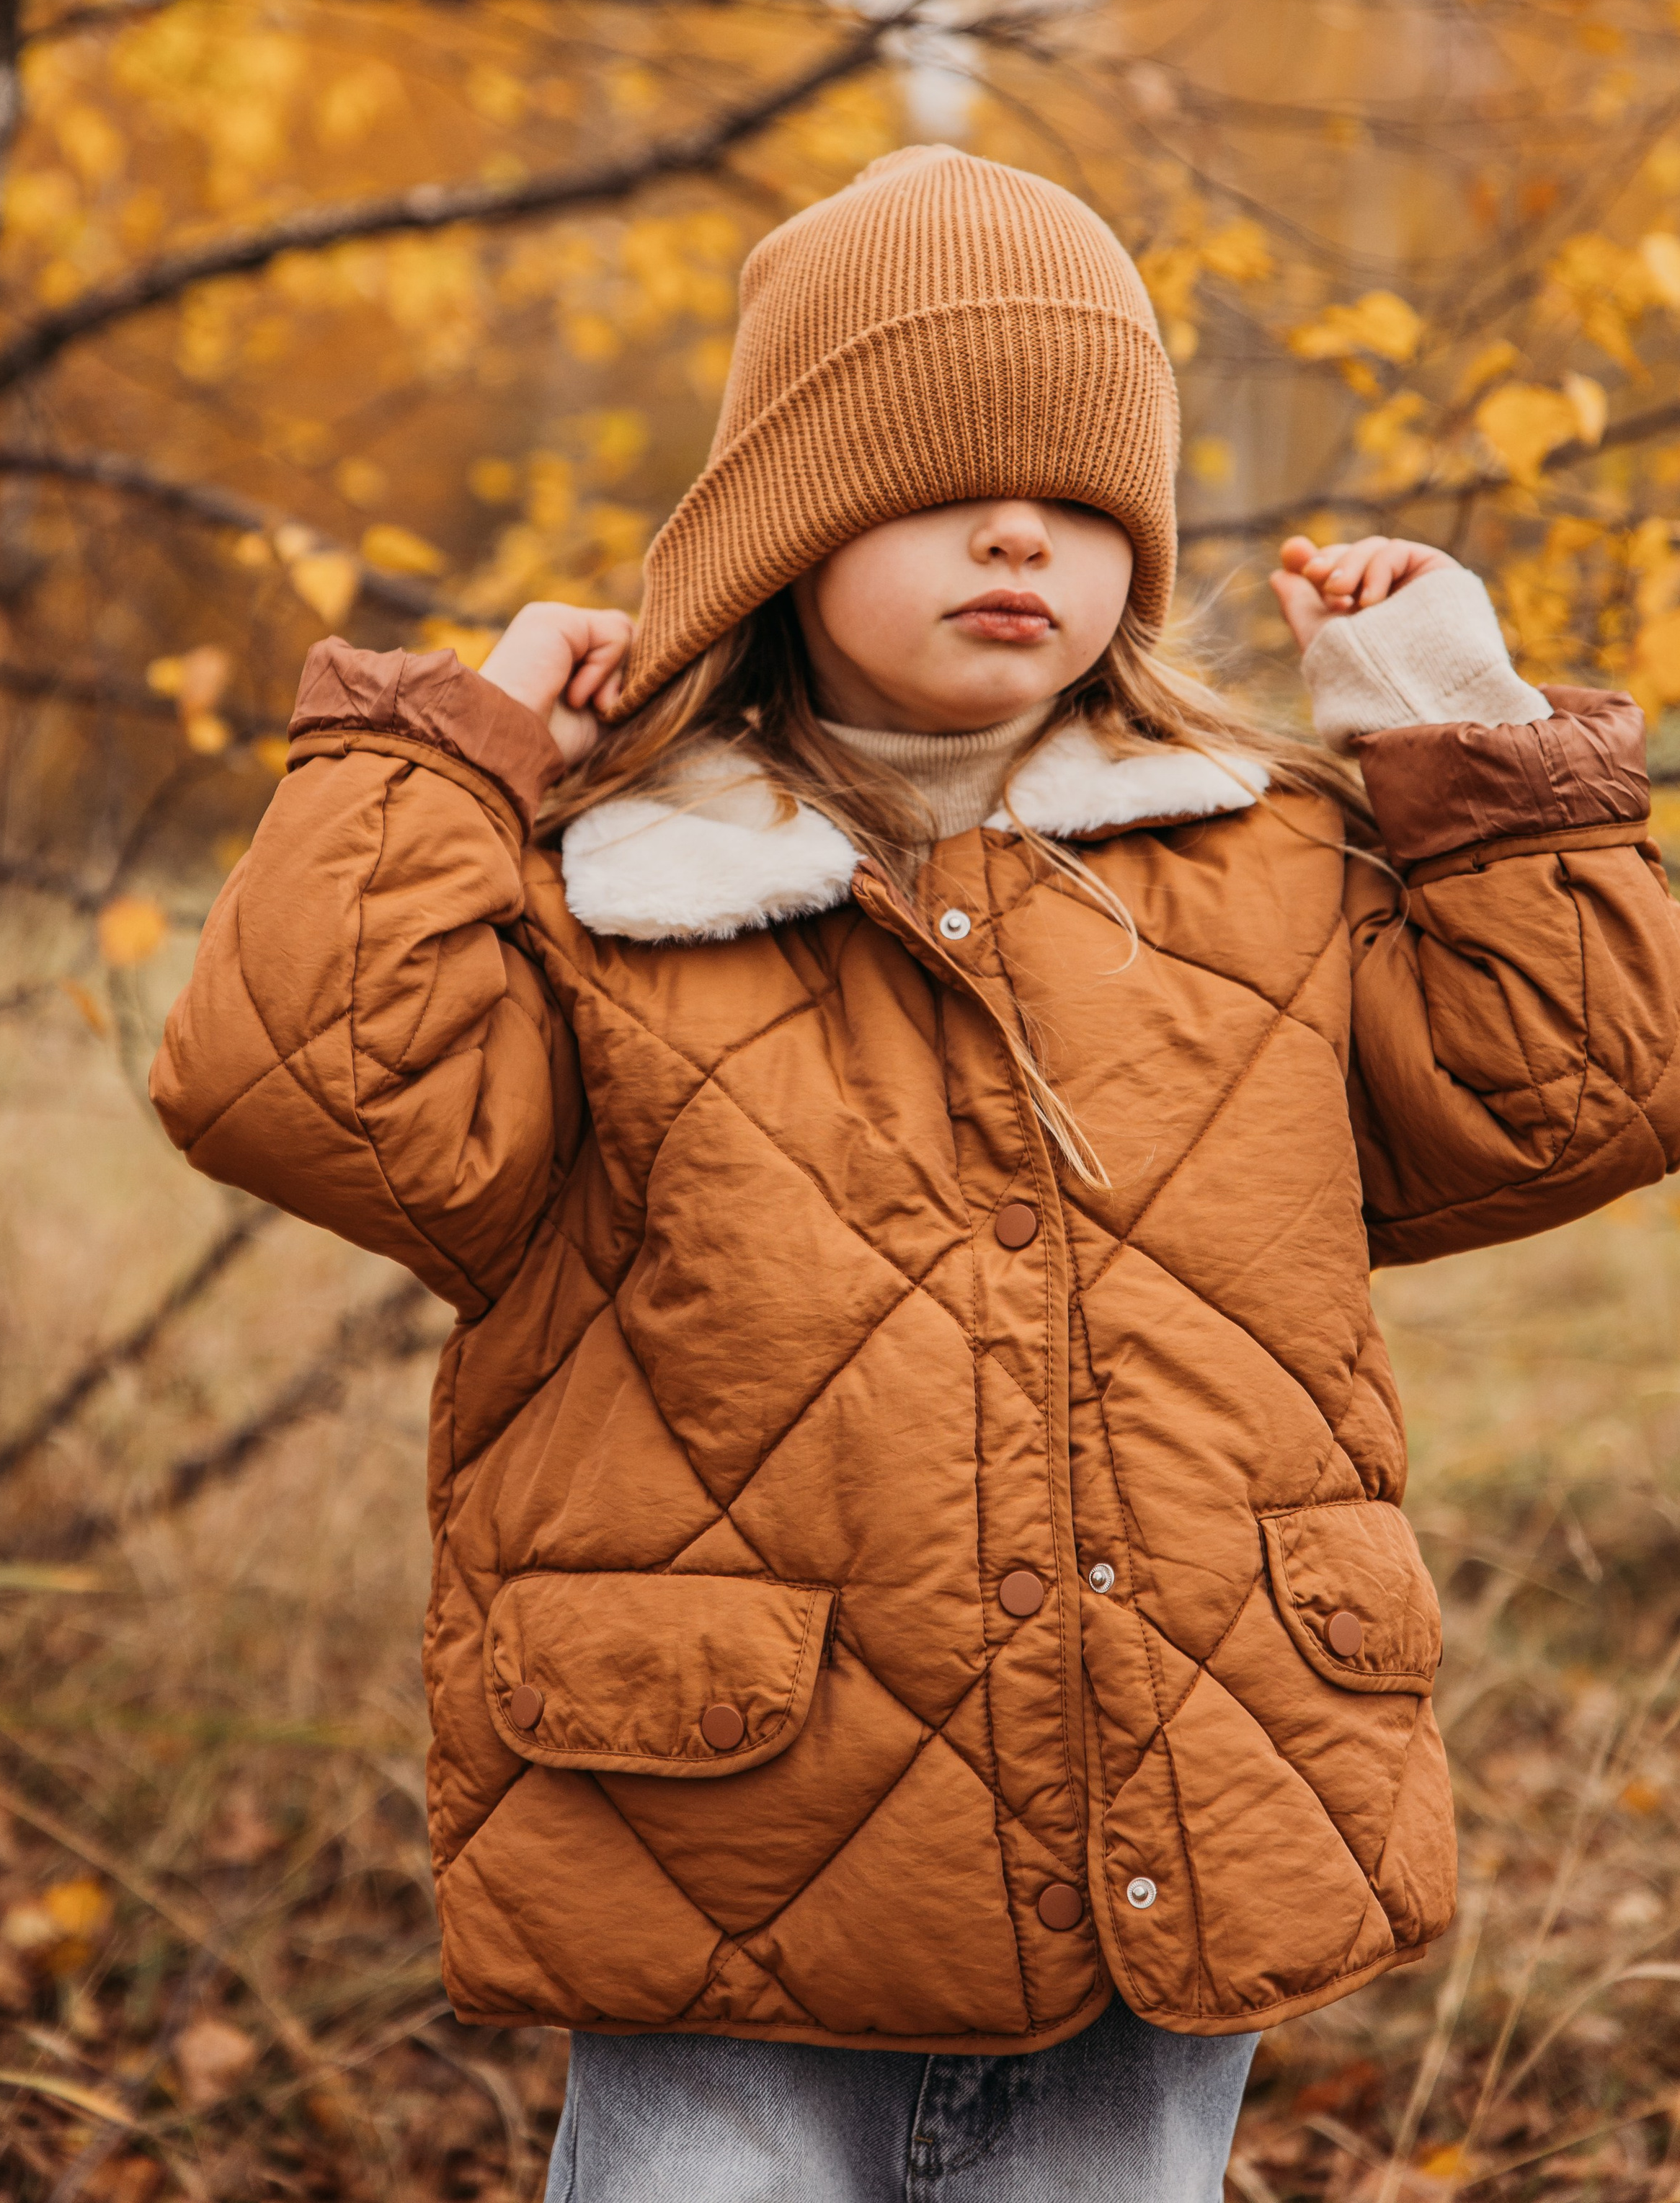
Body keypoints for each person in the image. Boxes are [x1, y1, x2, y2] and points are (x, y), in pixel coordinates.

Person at [151, 146, 1680, 2201]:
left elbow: (1582, 1081)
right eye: (936, 479)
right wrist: (452, 751)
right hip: (728, 1844)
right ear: (785, 520)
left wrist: (1462, 739)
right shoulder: (614, 883)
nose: (1019, 532)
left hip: (1176, 1813)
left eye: (1077, 497)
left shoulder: (1263, 862)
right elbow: (299, 1084)